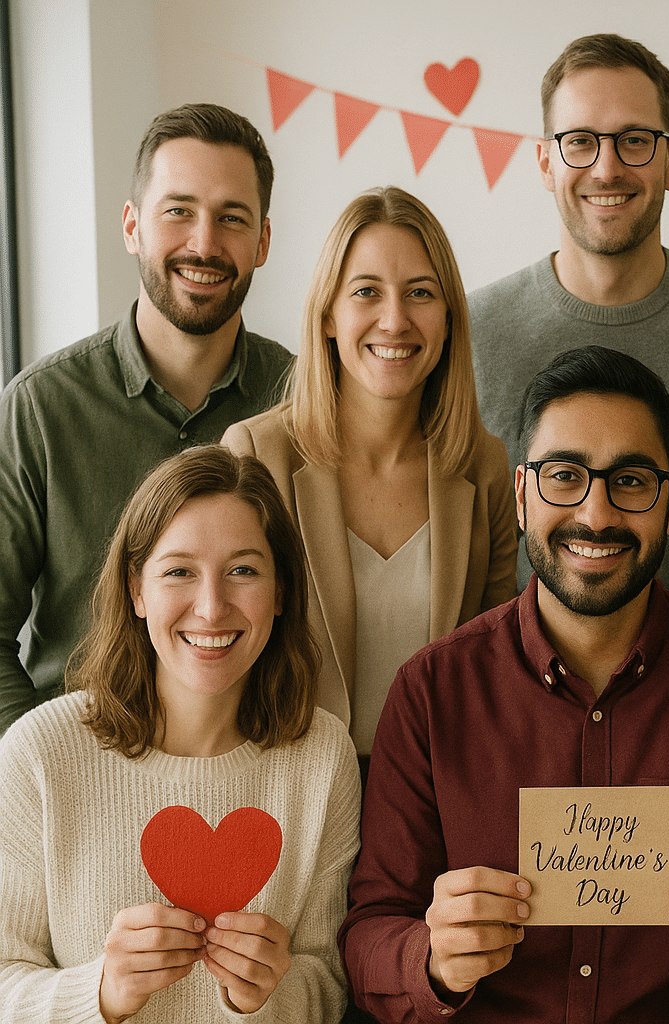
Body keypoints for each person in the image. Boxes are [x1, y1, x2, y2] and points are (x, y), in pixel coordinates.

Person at [340, 346, 669, 1023]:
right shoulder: (430, 692)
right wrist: (429, 960)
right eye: (565, 476)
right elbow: (368, 936)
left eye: (631, 481)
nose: (597, 514)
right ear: (521, 495)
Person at [0, 445, 360, 1023]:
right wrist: (101, 992)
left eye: (243, 571)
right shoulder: (38, 753)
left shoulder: (323, 754)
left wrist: (266, 996)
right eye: (179, 572)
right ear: (136, 590)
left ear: (281, 592)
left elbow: (329, 982)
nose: (212, 608)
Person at [468, 33, 669, 594]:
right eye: (579, 141)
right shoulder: (474, 331)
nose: (606, 169)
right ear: (546, 162)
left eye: (635, 140)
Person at [0, 103, 293, 735]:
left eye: (232, 218)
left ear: (263, 241)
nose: (204, 243)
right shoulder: (40, 408)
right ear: (133, 225)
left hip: (255, 768)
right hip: (77, 770)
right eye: (179, 211)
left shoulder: (304, 404)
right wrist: (46, 765)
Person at [224, 186, 517, 760]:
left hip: (434, 792)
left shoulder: (484, 465)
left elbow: (493, 671)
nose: (395, 320)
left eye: (420, 293)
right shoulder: (256, 455)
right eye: (366, 292)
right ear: (328, 316)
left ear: (449, 318)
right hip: (290, 785)